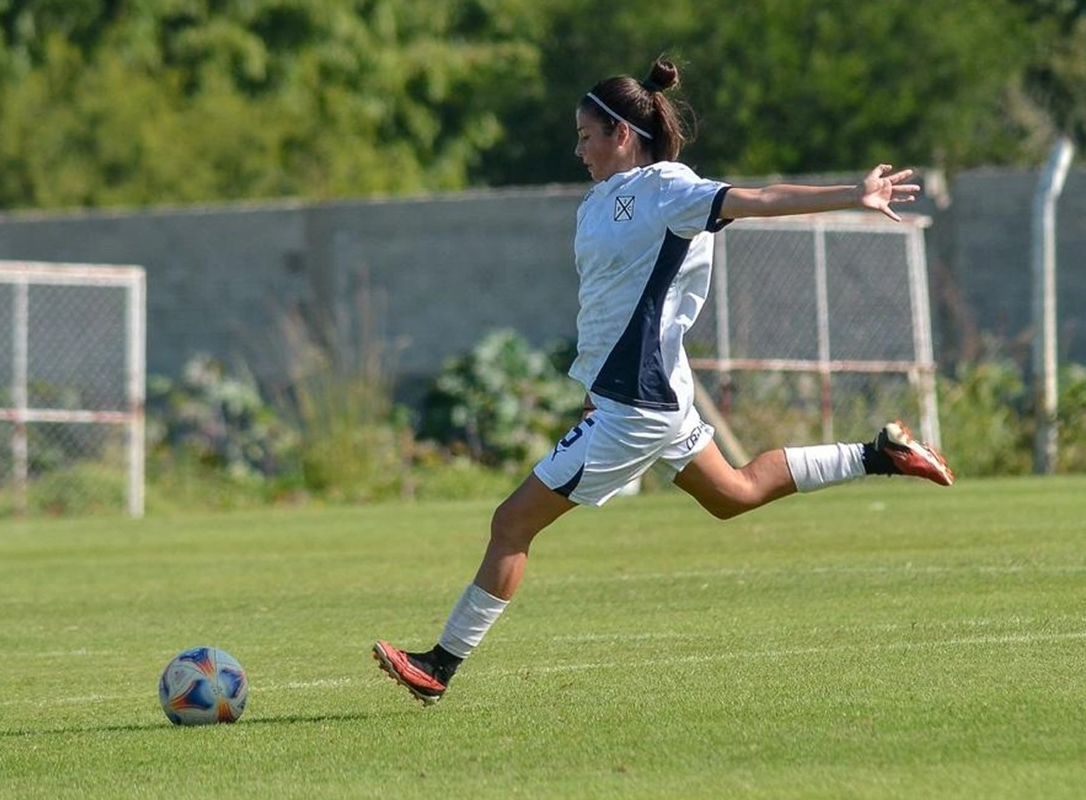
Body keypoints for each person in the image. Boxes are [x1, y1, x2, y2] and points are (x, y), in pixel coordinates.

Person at [372, 56, 954, 706]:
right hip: (649, 395)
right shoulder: (601, 202)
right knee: (733, 493)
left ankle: (439, 668)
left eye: (586, 135)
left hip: (638, 406)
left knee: (511, 523)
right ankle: (880, 453)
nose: (578, 148)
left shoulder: (669, 189)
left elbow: (757, 198)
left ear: (622, 133)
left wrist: (853, 194)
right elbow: (613, 303)